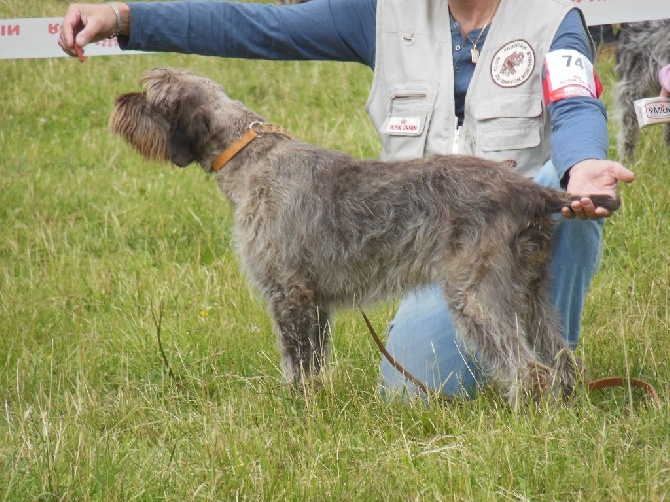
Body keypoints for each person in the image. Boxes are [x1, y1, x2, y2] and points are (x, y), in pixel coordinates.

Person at [59, 0, 635, 400]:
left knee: (571, 201)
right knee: (414, 392)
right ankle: (527, 367)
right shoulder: (381, 14)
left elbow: (577, 102)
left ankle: (554, 367)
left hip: (515, 207)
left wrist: (585, 164)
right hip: (424, 236)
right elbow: (252, 25)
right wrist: (124, 18)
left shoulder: (552, 17)